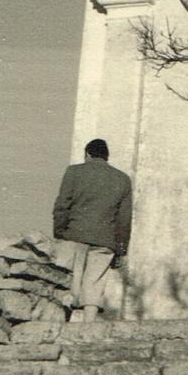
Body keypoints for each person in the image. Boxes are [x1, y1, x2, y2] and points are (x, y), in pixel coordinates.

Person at [52, 138, 133, 322]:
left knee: (70, 279)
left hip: (73, 235)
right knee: (95, 282)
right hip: (105, 240)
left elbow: (62, 205)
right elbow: (124, 219)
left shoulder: (74, 172)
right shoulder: (123, 179)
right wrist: (121, 250)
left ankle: (63, 322)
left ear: (87, 154)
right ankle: (88, 326)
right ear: (106, 157)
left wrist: (59, 232)